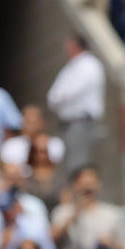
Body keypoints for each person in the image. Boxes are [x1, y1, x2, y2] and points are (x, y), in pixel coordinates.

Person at [51, 166, 123, 249]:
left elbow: (122, 247)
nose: (87, 188)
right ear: (74, 186)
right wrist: (74, 214)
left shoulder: (112, 214)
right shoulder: (63, 212)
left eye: (91, 183)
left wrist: (110, 243)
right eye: (83, 184)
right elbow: (52, 238)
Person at [47, 36, 105, 175]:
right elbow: (55, 93)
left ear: (75, 45)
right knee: (67, 162)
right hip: (68, 122)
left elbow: (71, 91)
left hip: (81, 121)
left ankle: (78, 194)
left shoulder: (89, 64)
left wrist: (58, 98)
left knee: (78, 162)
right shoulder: (73, 65)